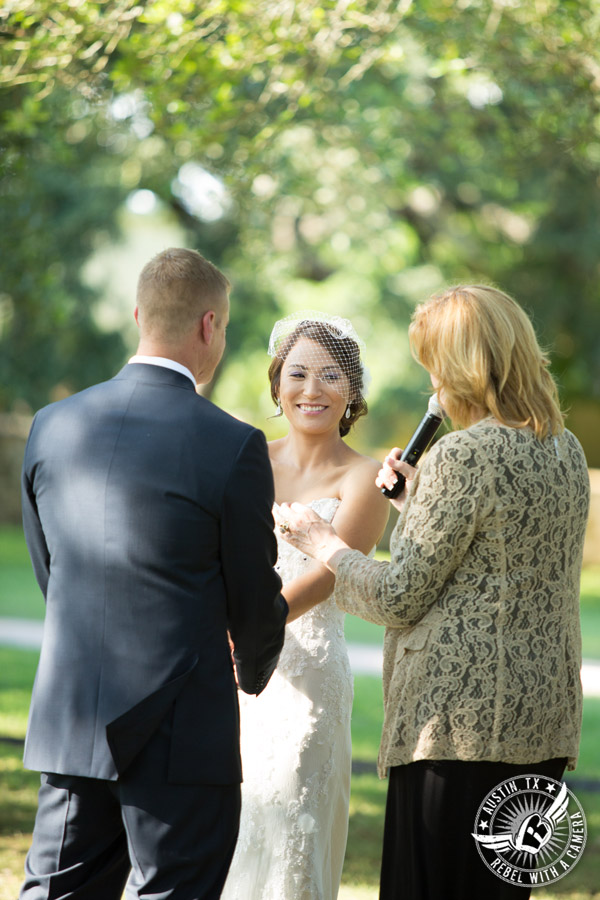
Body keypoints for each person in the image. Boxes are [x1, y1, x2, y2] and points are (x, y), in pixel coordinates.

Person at [275, 285, 591, 900]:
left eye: (433, 365)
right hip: (543, 724)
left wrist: (323, 543)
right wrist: (418, 500)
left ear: (462, 367)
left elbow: (399, 597)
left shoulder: (464, 454)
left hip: (459, 731)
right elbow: (501, 559)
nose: (431, 386)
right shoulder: (564, 448)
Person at [19, 248, 288, 900]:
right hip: (182, 734)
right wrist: (252, 671)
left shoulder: (52, 427)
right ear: (209, 327)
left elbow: (49, 570)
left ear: (139, 315)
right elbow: (255, 594)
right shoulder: (233, 443)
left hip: (72, 718)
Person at [221, 311, 389, 900]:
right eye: (298, 374)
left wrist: (247, 628)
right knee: (232, 821)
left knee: (293, 815)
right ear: (277, 384)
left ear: (352, 391)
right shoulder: (247, 460)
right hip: (227, 667)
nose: (311, 389)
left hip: (308, 674)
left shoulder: (364, 478)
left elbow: (326, 577)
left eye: (330, 375)